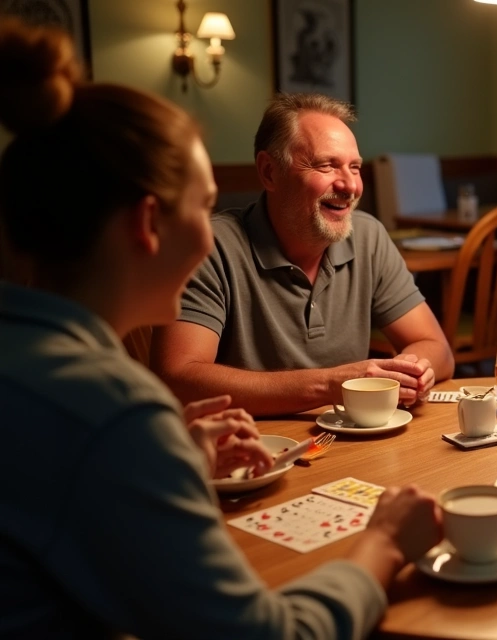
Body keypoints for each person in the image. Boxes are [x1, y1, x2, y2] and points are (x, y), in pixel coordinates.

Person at [0, 20, 442, 638]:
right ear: (148, 225)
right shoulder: (113, 413)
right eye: (201, 205)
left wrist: (167, 459)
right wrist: (384, 544)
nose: (213, 233)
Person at [152, 93, 454, 417]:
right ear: (269, 172)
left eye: (355, 167)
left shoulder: (368, 236)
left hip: (350, 445)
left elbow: (437, 350)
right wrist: (328, 385)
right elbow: (177, 379)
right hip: (248, 453)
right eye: (327, 165)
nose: (350, 186)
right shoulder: (210, 246)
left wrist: (410, 371)